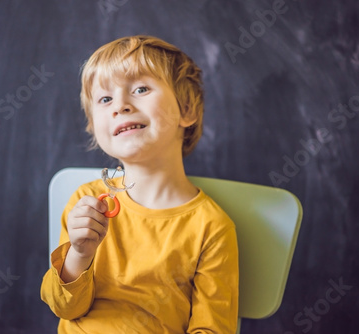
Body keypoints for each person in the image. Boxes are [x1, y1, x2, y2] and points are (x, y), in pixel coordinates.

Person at [41, 35, 239, 333]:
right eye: (105, 99)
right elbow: (64, 307)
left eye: (141, 89)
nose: (120, 105)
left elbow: (211, 328)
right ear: (95, 127)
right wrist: (80, 255)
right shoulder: (87, 200)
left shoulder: (211, 227)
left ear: (186, 109)